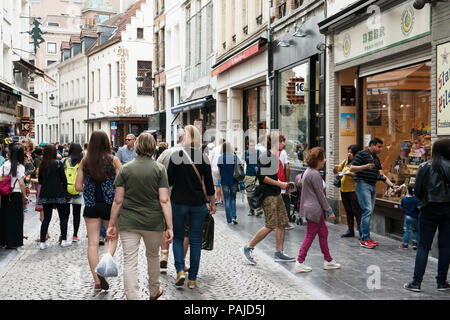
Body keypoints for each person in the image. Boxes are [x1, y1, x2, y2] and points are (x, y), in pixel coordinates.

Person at [107, 133, 174, 300]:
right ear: (153, 148)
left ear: (137, 147)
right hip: (153, 222)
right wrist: (170, 226)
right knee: (153, 256)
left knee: (129, 261)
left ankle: (132, 297)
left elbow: (118, 200)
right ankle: (154, 291)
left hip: (129, 222)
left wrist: (111, 223)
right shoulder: (159, 170)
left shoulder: (125, 169)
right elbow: (164, 200)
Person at [167, 125, 216, 289]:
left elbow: (169, 181)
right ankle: (193, 279)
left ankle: (180, 270)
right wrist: (212, 203)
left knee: (179, 237)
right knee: (195, 241)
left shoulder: (176, 156)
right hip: (197, 203)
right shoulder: (203, 157)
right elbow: (209, 186)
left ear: (184, 137)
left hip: (179, 203)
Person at [75, 130, 121, 292]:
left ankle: (96, 281)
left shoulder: (85, 161)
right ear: (107, 143)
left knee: (92, 243)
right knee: (113, 239)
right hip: (110, 205)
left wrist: (88, 188)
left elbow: (78, 186)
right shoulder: (113, 160)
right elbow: (123, 182)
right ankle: (104, 265)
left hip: (91, 206)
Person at [241, 132, 296, 265]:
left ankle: (279, 252)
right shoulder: (266, 156)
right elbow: (263, 177)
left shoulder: (274, 156)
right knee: (270, 225)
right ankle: (248, 247)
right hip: (268, 195)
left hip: (277, 194)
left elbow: (272, 176)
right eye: (282, 141)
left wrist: (284, 187)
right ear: (276, 142)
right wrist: (281, 184)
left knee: (282, 222)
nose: (284, 144)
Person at [404, 138, 450, 292]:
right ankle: (442, 282)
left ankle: (416, 282)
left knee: (423, 246)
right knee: (445, 246)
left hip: (429, 209)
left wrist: (424, 201)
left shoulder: (425, 166)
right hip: (448, 210)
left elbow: (417, 190)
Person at [294, 147, 341, 272]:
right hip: (315, 209)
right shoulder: (314, 174)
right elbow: (321, 195)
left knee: (323, 232)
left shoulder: (308, 171)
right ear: (317, 160)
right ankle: (300, 261)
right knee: (310, 235)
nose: (325, 160)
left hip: (312, 209)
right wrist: (330, 210)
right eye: (323, 158)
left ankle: (328, 260)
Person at [350, 138, 397, 249]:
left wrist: (392, 185)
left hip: (372, 185)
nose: (381, 149)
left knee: (368, 211)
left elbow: (381, 175)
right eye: (379, 147)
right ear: (372, 145)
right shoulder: (362, 154)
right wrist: (364, 167)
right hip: (362, 185)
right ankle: (364, 239)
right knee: (367, 210)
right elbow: (352, 168)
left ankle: (366, 237)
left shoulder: (376, 158)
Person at [156, 129, 190, 273]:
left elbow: (156, 168)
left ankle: (164, 255)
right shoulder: (190, 154)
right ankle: (180, 262)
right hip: (183, 196)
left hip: (165, 194)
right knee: (183, 230)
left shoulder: (166, 152)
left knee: (165, 226)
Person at [38, 144, 71, 249]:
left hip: (46, 194)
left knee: (46, 218)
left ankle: (42, 242)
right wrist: (64, 189)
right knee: (63, 217)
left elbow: (40, 181)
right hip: (58, 193)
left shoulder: (42, 165)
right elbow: (64, 179)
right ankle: (64, 240)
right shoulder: (58, 164)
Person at [0, 144, 28, 249]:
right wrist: (24, 195)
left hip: (5, 194)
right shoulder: (20, 167)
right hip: (15, 194)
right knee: (16, 218)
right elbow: (21, 183)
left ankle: (3, 240)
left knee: (4, 217)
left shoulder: (5, 164)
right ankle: (13, 241)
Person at [333, 145, 363, 238]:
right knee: (348, 211)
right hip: (344, 190)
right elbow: (336, 171)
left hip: (353, 190)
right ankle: (350, 230)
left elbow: (360, 176)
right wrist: (335, 168)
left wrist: (351, 174)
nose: (349, 154)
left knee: (356, 211)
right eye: (348, 152)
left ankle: (361, 231)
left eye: (351, 152)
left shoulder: (358, 163)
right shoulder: (345, 162)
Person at [63, 143, 84, 243]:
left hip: (66, 191)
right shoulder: (82, 162)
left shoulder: (64, 161)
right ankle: (75, 235)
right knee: (76, 214)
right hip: (78, 190)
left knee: (65, 215)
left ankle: (63, 234)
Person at [218, 142, 242, 225]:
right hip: (234, 180)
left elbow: (219, 170)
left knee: (226, 199)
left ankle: (228, 219)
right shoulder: (235, 157)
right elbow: (240, 166)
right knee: (233, 198)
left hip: (224, 180)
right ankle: (233, 217)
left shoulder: (221, 157)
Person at [278, 134, 294, 230]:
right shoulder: (283, 152)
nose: (284, 144)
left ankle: (278, 222)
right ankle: (286, 223)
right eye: (281, 141)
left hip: (274, 182)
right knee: (286, 201)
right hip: (282, 182)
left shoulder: (270, 153)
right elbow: (287, 168)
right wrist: (287, 181)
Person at [244, 139, 263, 216]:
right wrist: (243, 176)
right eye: (251, 145)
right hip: (248, 175)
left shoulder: (258, 152)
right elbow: (242, 164)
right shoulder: (245, 153)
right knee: (249, 194)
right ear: (247, 145)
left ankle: (258, 209)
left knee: (258, 192)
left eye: (253, 145)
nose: (252, 147)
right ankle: (251, 209)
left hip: (257, 176)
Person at [400, 186, 420, 250]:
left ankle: (405, 245)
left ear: (408, 190)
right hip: (415, 217)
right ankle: (415, 244)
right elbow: (419, 207)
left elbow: (402, 207)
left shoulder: (404, 198)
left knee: (407, 230)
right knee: (416, 230)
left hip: (407, 216)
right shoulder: (416, 199)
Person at [209, 139, 224, 206]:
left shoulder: (214, 149)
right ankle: (222, 200)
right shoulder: (224, 149)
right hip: (222, 169)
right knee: (222, 185)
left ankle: (216, 199)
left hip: (214, 169)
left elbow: (210, 160)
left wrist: (211, 168)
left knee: (215, 185)